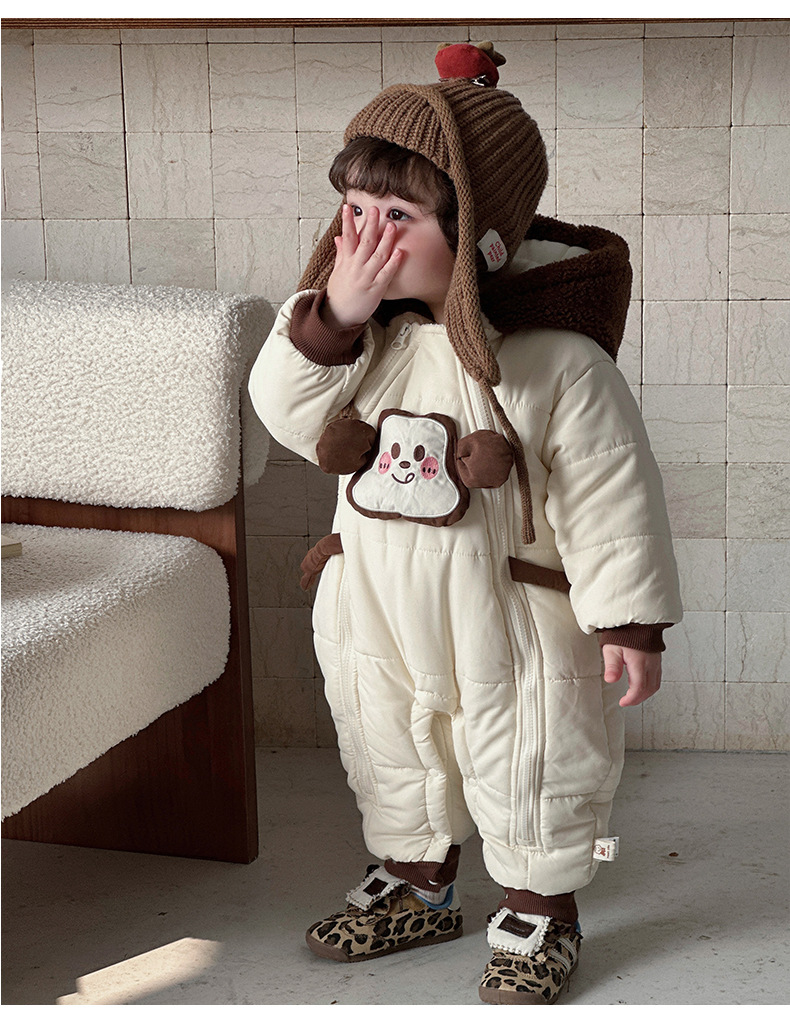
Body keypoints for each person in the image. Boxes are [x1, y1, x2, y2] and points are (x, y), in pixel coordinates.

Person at [248, 41, 682, 1005]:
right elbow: (284, 411)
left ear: (480, 233)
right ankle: (416, 881)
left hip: (510, 613)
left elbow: (611, 489)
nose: (365, 242)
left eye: (398, 219)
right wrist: (333, 319)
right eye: (354, 212)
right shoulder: (358, 342)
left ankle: (538, 907)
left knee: (532, 754)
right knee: (388, 744)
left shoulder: (555, 360)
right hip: (373, 604)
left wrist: (629, 618)